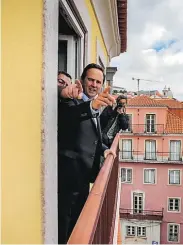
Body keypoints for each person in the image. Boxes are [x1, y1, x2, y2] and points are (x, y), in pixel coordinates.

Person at [57, 63, 116, 244]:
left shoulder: (95, 105)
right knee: (64, 230)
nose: (94, 84)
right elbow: (69, 116)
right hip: (68, 180)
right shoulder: (71, 101)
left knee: (77, 227)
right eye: (90, 79)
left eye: (98, 82)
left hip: (83, 178)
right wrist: (91, 107)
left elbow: (95, 138)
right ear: (83, 79)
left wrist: (106, 150)